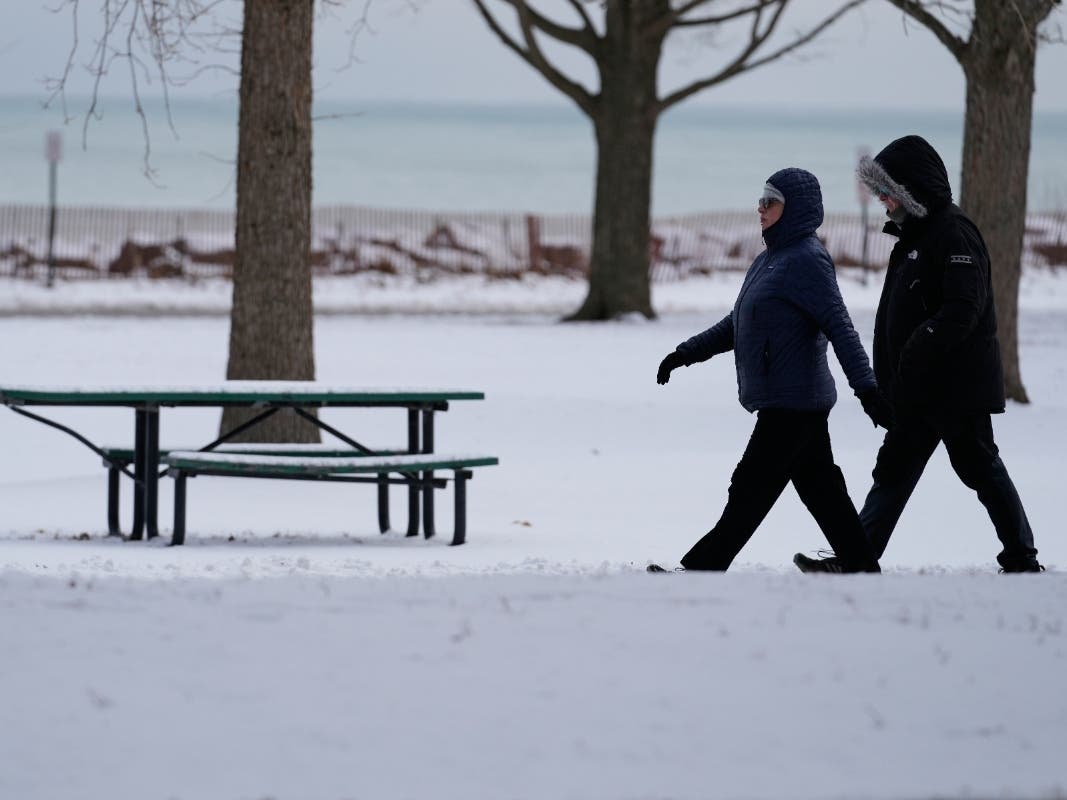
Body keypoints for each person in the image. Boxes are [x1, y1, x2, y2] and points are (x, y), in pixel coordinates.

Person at [794, 135, 1043, 574]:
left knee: (979, 468)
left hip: (954, 388)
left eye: (889, 192)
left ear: (912, 191)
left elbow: (963, 308)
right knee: (892, 471)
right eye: (880, 194)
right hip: (917, 390)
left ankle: (1022, 556)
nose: (884, 202)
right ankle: (859, 556)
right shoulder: (915, 235)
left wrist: (916, 346)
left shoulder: (953, 233)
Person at [651, 167, 889, 574]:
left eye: (770, 201)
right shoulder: (770, 259)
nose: (760, 209)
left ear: (793, 208)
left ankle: (704, 566)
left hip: (793, 402)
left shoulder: (808, 261)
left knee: (749, 487)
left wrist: (866, 390)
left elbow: (841, 328)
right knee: (820, 488)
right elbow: (739, 322)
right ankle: (860, 564)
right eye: (760, 200)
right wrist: (685, 354)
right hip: (792, 401)